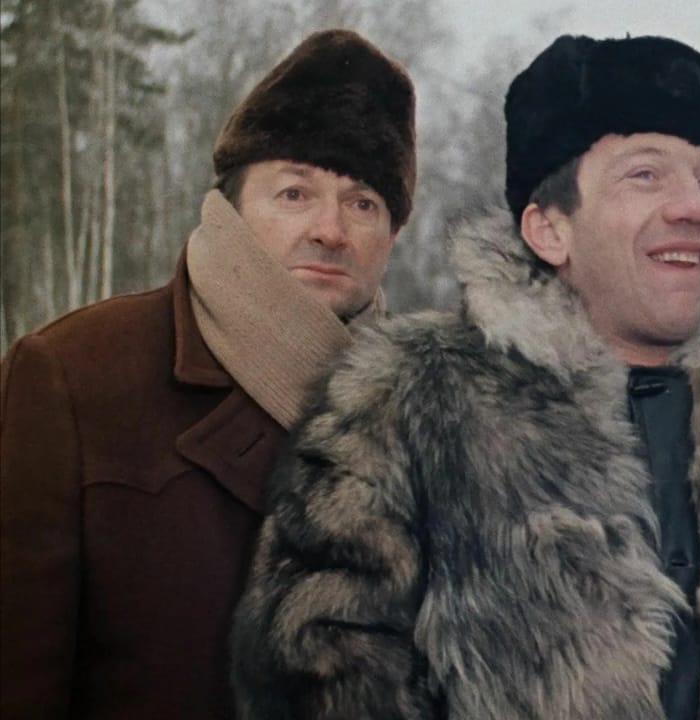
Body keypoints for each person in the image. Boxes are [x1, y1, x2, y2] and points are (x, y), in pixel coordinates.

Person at [230, 33, 700, 720]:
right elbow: (320, 664)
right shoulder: (409, 398)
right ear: (550, 229)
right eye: (646, 175)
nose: (694, 207)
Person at [0, 29, 416, 720]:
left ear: (391, 236)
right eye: (294, 192)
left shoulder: (426, 416)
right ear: (230, 208)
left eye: (363, 202)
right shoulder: (73, 376)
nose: (330, 229)